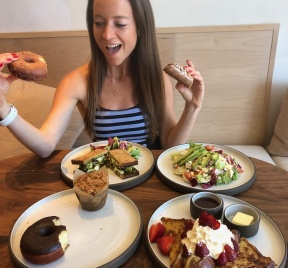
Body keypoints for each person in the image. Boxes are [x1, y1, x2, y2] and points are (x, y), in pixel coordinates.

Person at [0, 0, 204, 158]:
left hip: (149, 181)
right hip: (105, 183)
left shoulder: (156, 79)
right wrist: (4, 110)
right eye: (99, 23)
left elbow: (170, 146)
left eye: (120, 24)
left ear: (140, 27)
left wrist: (192, 107)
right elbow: (45, 145)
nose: (107, 34)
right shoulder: (76, 82)